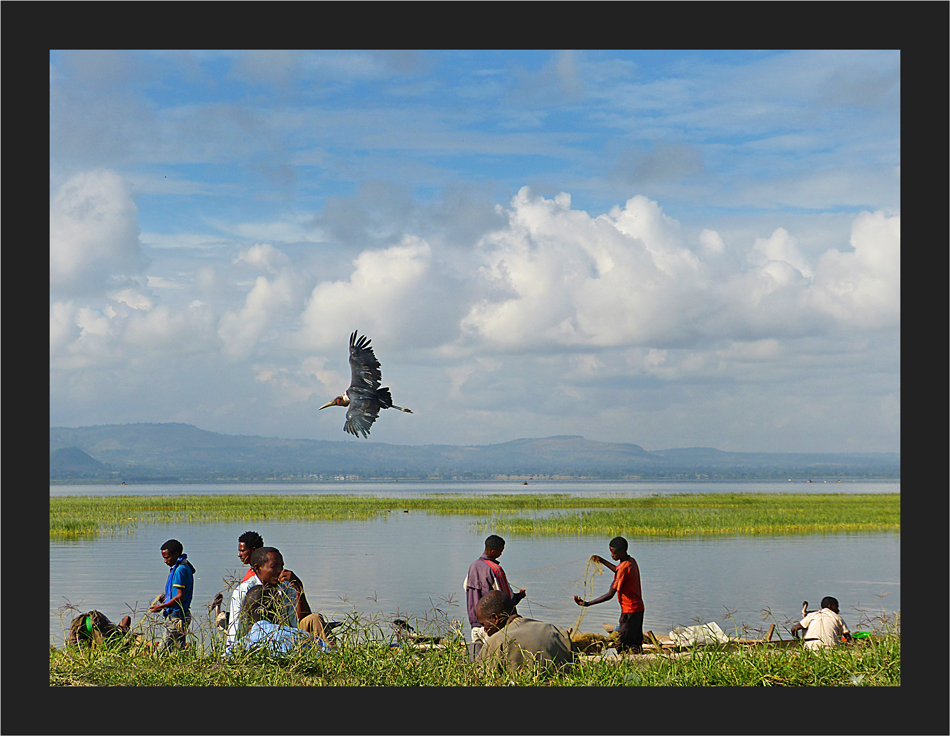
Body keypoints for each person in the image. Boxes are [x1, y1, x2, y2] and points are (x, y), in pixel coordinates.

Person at [225, 546, 325, 653]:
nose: (279, 571)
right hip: (257, 641)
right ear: (258, 568)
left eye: (281, 566)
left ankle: (329, 655)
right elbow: (235, 632)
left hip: (287, 636)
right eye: (273, 567)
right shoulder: (243, 591)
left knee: (314, 618)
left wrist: (299, 589)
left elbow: (299, 621)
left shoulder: (286, 586)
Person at [573, 536, 644, 653]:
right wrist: (602, 561)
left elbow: (610, 594)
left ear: (621, 552)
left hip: (629, 611)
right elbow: (619, 569)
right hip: (638, 609)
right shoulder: (631, 561)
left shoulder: (622, 570)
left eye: (614, 553)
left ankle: (622, 666)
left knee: (622, 645)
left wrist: (588, 603)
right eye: (610, 553)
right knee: (636, 642)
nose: (612, 555)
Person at [475, 590, 574, 673]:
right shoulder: (558, 632)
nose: (484, 629)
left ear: (495, 618)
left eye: (484, 624)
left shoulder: (494, 643)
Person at [230, 584, 329, 656]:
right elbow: (329, 652)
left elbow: (225, 657)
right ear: (278, 609)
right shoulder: (301, 636)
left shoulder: (240, 646)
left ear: (247, 613)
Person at [464, 534, 526, 649]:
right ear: (492, 551)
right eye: (500, 551)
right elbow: (506, 599)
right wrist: (520, 596)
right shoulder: (495, 569)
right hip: (492, 626)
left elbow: (466, 588)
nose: (501, 554)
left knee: (478, 658)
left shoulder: (473, 566)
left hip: (475, 624)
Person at [148, 539, 195, 651]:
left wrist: (161, 607)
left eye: (167, 557)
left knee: (161, 652)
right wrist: (165, 599)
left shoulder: (180, 570)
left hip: (177, 618)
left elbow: (179, 597)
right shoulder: (185, 566)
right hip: (181, 615)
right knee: (178, 651)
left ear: (176, 554)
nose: (165, 561)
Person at [67, 610, 133, 647]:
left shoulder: (111, 627)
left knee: (76, 646)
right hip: (95, 622)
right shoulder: (115, 633)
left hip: (80, 622)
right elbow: (127, 618)